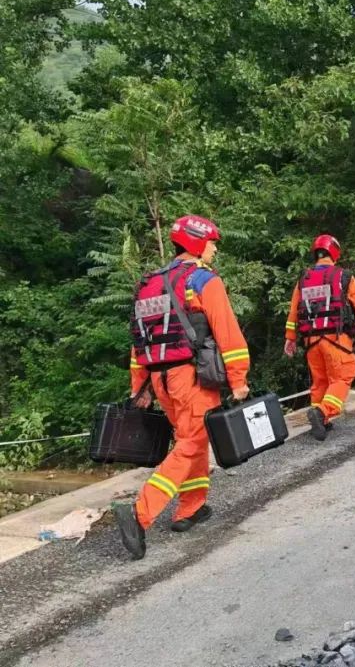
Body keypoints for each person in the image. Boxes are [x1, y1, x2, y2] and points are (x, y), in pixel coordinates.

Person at [116, 215, 250, 560]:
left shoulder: (149, 284)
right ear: (195, 243)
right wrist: (238, 379)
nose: (215, 248)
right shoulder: (204, 281)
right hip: (190, 377)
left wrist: (139, 387)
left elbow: (139, 343)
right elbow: (228, 334)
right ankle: (140, 513)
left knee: (192, 437)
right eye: (212, 242)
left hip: (160, 379)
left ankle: (191, 507)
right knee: (192, 443)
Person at [284, 234, 355, 441]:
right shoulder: (343, 276)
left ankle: (321, 424)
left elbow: (293, 312)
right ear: (334, 253)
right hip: (337, 340)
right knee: (345, 374)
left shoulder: (304, 280)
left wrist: (290, 338)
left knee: (320, 381)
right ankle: (322, 412)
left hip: (311, 342)